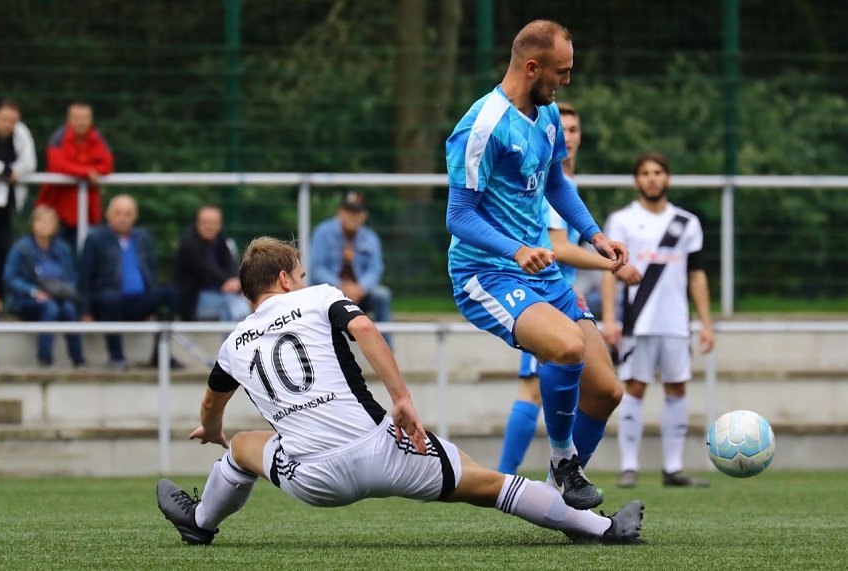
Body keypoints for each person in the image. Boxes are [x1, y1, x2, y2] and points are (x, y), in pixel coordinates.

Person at [155, 237, 644, 546]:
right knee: (489, 484)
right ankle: (601, 529)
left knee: (243, 447)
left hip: (311, 479)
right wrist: (403, 401)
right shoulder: (320, 297)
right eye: (299, 274)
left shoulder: (233, 343)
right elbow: (366, 331)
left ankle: (200, 521)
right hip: (383, 448)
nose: (303, 279)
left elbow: (210, 404)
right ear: (285, 278)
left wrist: (214, 430)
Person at [445, 19, 627, 510]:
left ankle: (558, 501)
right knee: (567, 348)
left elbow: (555, 184)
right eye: (561, 72)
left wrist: (595, 235)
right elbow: (458, 215)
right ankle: (565, 464)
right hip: (486, 274)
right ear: (532, 67)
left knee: (607, 391)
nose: (566, 81)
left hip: (540, 275)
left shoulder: (546, 116)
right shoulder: (481, 126)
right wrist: (515, 248)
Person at [497, 103, 640, 475]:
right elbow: (557, 247)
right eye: (566, 129)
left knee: (586, 391)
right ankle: (507, 479)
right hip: (541, 295)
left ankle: (553, 481)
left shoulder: (563, 184)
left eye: (575, 130)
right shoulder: (546, 179)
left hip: (560, 295)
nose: (570, 137)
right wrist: (611, 264)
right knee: (530, 389)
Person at [601, 152, 714, 489]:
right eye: (645, 173)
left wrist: (706, 323)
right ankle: (629, 467)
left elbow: (696, 274)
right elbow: (610, 273)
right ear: (637, 180)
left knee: (677, 387)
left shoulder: (686, 222)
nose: (652, 178)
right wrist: (609, 320)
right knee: (633, 389)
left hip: (676, 322)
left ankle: (673, 468)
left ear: (667, 178)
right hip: (637, 321)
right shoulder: (620, 220)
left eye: (658, 172)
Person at [79, 194, 180, 370]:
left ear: (135, 217)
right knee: (110, 298)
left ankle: (160, 355)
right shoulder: (95, 238)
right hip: (108, 300)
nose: (122, 218)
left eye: (127, 213)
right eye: (118, 213)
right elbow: (85, 277)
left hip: (138, 299)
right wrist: (85, 311)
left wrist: (150, 306)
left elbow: (151, 272)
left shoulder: (143, 238)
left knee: (170, 293)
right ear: (108, 215)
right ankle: (116, 356)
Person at [3, 206, 84, 367]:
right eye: (40, 221)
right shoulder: (21, 248)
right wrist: (33, 291)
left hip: (58, 296)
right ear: (32, 224)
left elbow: (71, 277)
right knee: (50, 308)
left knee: (69, 309)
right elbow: (10, 278)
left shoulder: (62, 249)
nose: (44, 225)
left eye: (48, 222)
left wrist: (64, 292)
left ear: (55, 226)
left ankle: (78, 359)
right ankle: (45, 359)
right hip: (25, 299)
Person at [309, 190, 392, 344]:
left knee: (382, 296)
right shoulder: (322, 232)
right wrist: (340, 287)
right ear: (339, 212)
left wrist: (360, 288)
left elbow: (375, 269)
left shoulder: (370, 237)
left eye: (356, 212)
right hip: (328, 292)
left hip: (360, 293)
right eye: (348, 211)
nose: (351, 216)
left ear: (364, 215)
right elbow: (317, 268)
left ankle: (386, 351)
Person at [36, 101, 114, 249]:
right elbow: (57, 165)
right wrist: (86, 172)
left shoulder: (96, 138)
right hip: (58, 207)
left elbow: (107, 164)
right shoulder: (59, 137)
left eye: (85, 118)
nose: (81, 122)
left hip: (88, 207)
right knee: (58, 249)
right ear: (69, 119)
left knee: (87, 251)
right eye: (77, 118)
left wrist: (81, 172)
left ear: (91, 120)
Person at [0, 99, 37, 299]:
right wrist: (5, 170)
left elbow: (29, 163)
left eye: (12, 120)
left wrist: (5, 173)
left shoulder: (21, 134)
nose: (8, 124)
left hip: (3, 207)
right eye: (4, 119)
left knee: (3, 253)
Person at [175, 205, 249, 323]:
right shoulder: (188, 244)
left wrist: (235, 280)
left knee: (232, 304)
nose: (208, 227)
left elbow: (230, 263)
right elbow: (205, 269)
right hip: (193, 301)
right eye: (204, 222)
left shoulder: (220, 240)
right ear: (197, 223)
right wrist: (227, 282)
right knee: (231, 304)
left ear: (219, 224)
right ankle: (243, 332)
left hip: (221, 295)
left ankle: (237, 335)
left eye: (212, 223)